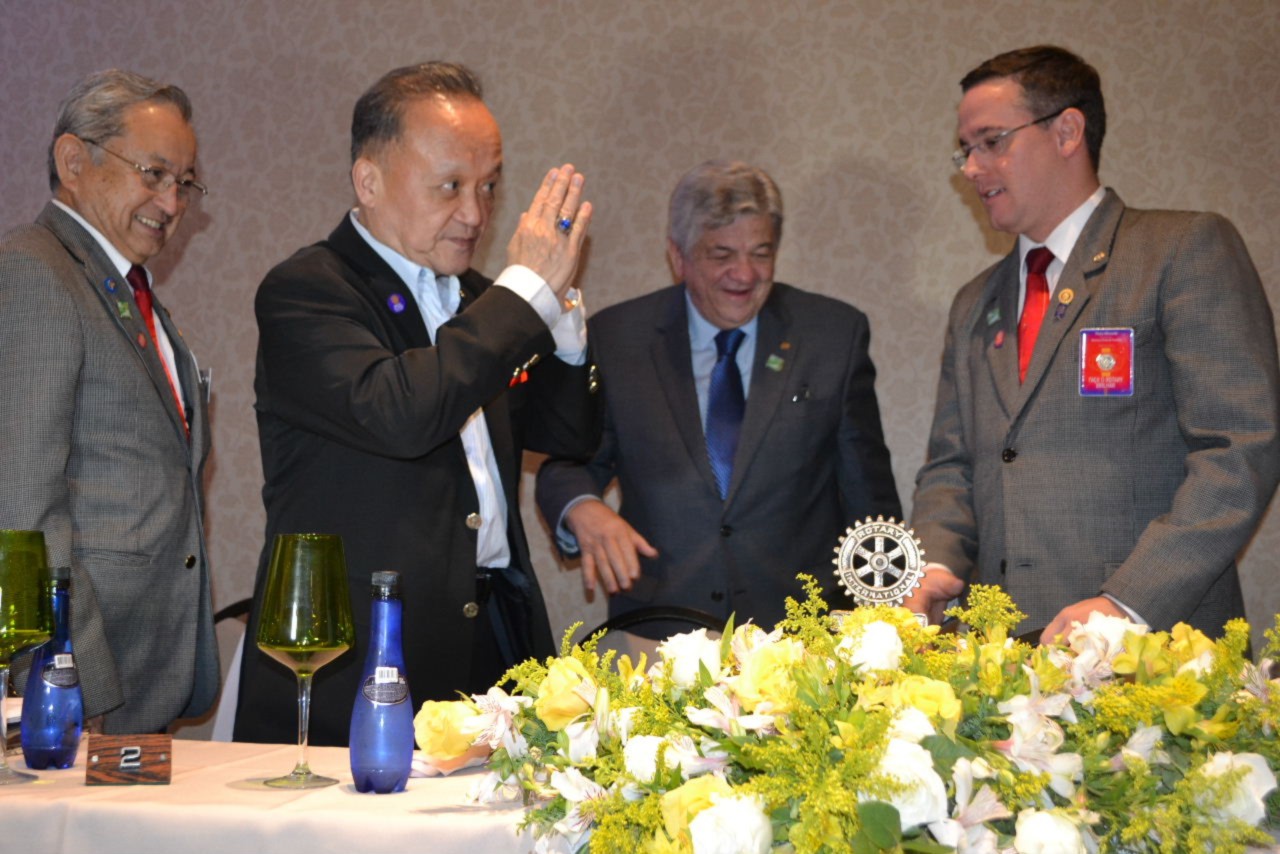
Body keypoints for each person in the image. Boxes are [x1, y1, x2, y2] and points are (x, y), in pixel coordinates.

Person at [233, 61, 598, 746]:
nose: (476, 213)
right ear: (369, 182)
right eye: (450, 186)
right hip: (368, 654)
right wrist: (521, 296)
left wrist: (564, 323)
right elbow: (402, 413)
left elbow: (565, 435)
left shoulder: (484, 301)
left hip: (495, 636)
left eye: (488, 186)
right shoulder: (310, 290)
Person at [909, 45, 1280, 641]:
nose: (972, 168)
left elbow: (1239, 450)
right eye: (965, 149)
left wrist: (1127, 603)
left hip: (1150, 649)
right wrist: (936, 563)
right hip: (998, 658)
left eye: (992, 141)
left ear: (1067, 132)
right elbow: (951, 466)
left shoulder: (1180, 250)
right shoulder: (974, 302)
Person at [536, 160, 901, 637]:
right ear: (678, 256)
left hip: (803, 638)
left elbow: (869, 500)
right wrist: (582, 505)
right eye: (722, 254)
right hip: (662, 631)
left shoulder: (832, 334)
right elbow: (567, 461)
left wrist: (887, 628)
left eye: (761, 253)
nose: (744, 274)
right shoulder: (618, 338)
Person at [0, 70, 217, 734]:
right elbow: (24, 509)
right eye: (153, 174)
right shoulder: (34, 272)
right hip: (84, 683)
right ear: (74, 161)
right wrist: (72, 681)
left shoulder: (126, 290)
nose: (171, 202)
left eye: (184, 183)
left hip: (143, 668)